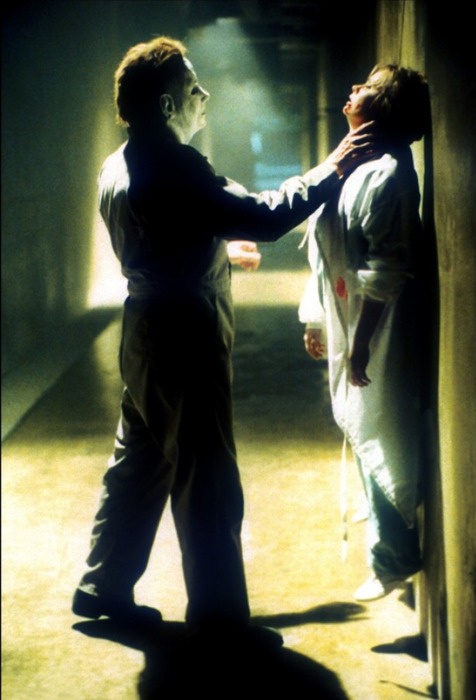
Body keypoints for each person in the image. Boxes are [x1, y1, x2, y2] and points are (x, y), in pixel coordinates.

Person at [71, 35, 377, 640]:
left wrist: (215, 248)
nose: (205, 95)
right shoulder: (175, 163)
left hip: (143, 334)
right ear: (167, 105)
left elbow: (157, 235)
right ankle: (219, 622)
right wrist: (334, 167)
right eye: (193, 88)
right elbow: (265, 215)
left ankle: (101, 586)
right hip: (185, 336)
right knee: (206, 479)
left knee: (139, 463)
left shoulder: (117, 163)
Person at [299, 64, 430, 601]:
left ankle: (394, 558)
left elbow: (386, 270)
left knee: (382, 435)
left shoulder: (388, 175)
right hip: (350, 319)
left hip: (380, 329)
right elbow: (323, 247)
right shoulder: (354, 164)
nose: (353, 89)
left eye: (368, 87)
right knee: (364, 428)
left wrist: (360, 344)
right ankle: (387, 548)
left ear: (386, 109)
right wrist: (316, 316)